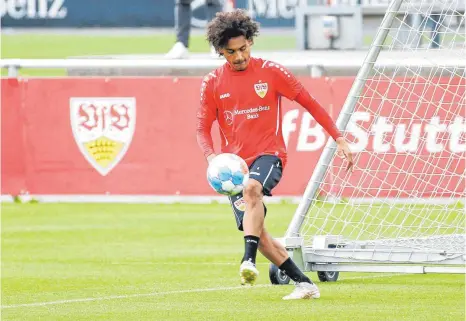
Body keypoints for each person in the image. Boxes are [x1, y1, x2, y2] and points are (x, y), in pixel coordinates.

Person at [196, 9, 354, 300]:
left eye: (243, 48)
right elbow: (202, 129)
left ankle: (247, 260)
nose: (240, 56)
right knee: (257, 230)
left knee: (253, 189)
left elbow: (311, 103)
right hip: (235, 167)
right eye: (231, 52)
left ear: (251, 42)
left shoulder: (271, 71)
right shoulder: (213, 83)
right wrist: (212, 158)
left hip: (270, 155)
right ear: (221, 51)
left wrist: (339, 138)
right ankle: (305, 284)